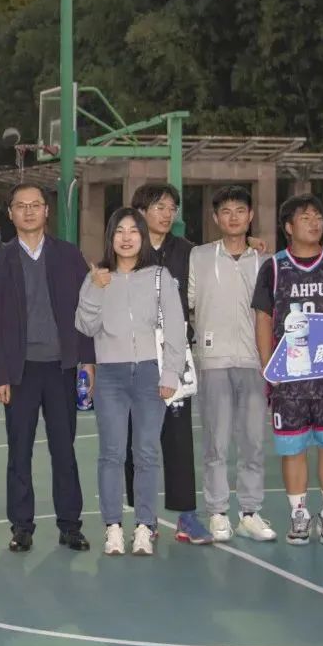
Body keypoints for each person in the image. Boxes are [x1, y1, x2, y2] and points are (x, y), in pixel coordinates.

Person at [0, 183, 93, 553]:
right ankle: (21, 526)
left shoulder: (69, 256)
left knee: (64, 450)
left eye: (35, 205)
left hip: (62, 369)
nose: (28, 212)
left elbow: (87, 311)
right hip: (20, 371)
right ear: (10, 213)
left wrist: (87, 361)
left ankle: (70, 525)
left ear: (47, 211)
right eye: (20, 205)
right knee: (19, 451)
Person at [253, 194, 323, 545]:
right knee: (292, 448)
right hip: (291, 376)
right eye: (305, 217)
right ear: (288, 227)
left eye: (318, 217)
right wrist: (269, 365)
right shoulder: (274, 267)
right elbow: (263, 317)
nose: (314, 223)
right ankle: (298, 514)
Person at [77, 208, 185, 555]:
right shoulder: (97, 277)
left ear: (143, 237)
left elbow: (176, 328)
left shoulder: (159, 276)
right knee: (111, 453)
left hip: (151, 374)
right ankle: (112, 527)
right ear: (110, 237)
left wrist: (171, 373)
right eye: (119, 231)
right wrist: (95, 290)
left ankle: (144, 526)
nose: (126, 237)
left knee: (147, 453)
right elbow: (84, 326)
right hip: (110, 375)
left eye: (133, 231)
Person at [188, 186, 276, 542]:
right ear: (215, 218)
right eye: (226, 211)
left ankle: (250, 513)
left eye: (240, 210)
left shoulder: (266, 261)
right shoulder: (198, 256)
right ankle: (218, 512)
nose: (234, 217)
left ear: (251, 216)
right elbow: (186, 301)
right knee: (216, 442)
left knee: (253, 441)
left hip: (255, 361)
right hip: (213, 361)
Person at [129, 184, 211, 543]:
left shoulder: (188, 252)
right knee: (138, 439)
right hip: (134, 357)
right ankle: (143, 518)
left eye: (171, 208)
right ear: (141, 211)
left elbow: (221, 256)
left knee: (178, 439)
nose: (167, 214)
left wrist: (253, 244)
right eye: (159, 206)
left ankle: (187, 516)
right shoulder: (126, 247)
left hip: (175, 358)